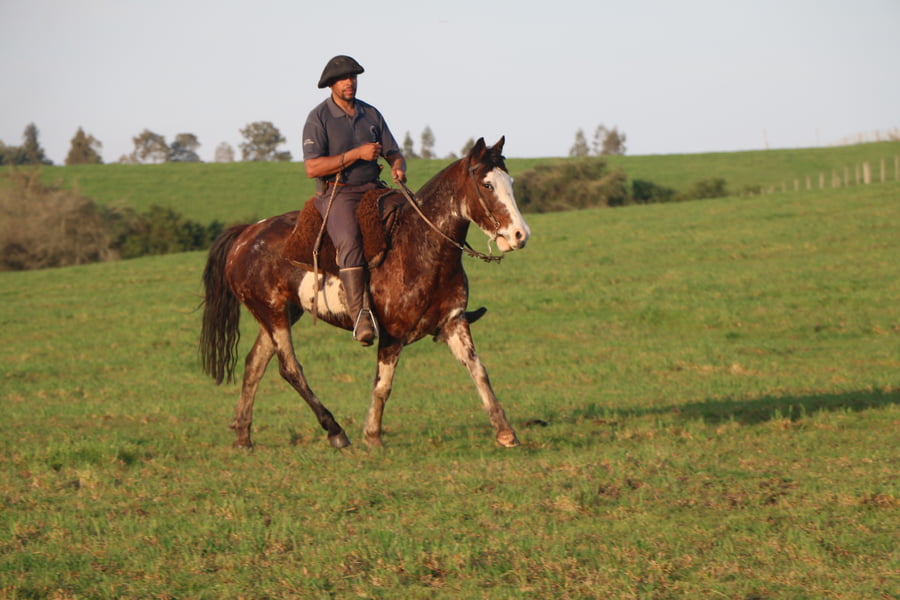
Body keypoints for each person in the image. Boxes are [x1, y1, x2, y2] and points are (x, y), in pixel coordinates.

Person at [302, 55, 407, 346]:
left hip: (374, 187)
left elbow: (393, 152)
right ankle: (360, 315)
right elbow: (312, 168)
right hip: (338, 192)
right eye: (343, 79)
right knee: (349, 241)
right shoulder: (318, 118)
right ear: (331, 85)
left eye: (353, 77)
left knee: (411, 220)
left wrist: (398, 166)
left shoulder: (371, 114)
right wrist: (356, 154)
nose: (349, 82)